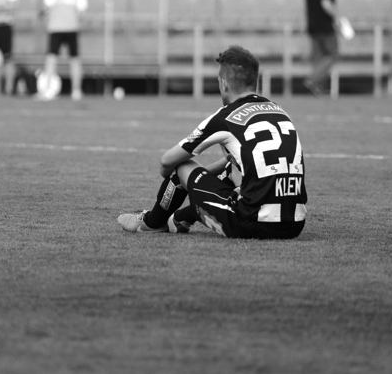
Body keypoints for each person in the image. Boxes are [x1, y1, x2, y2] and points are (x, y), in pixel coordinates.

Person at [118, 45, 307, 239]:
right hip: (294, 224)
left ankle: (151, 223)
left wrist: (180, 178)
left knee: (182, 165)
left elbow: (166, 162)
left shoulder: (225, 116)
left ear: (224, 84)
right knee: (231, 169)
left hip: (251, 224)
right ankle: (184, 216)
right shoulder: (280, 111)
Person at [40, 0, 88, 101]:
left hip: (55, 28)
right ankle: (76, 91)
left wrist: (44, 17)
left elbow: (46, 8)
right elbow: (82, 13)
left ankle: (48, 90)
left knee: (51, 59)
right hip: (72, 28)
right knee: (75, 60)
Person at [304, 0, 339, 96]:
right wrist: (337, 18)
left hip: (313, 27)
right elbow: (326, 3)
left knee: (318, 58)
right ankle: (312, 80)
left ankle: (317, 88)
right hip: (325, 26)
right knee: (332, 55)